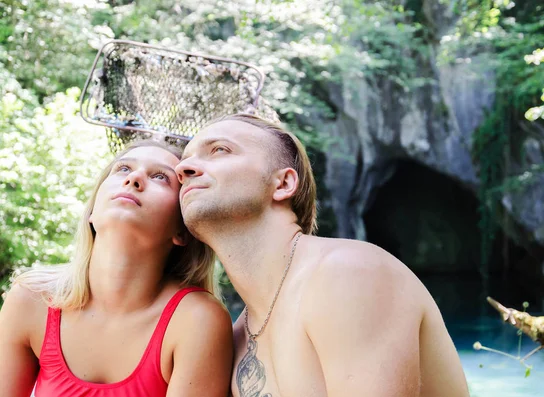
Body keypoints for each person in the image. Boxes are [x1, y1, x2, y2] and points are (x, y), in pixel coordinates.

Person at [176, 113, 470, 397]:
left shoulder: (349, 272)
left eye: (219, 150)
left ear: (283, 184)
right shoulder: (237, 335)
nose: (185, 169)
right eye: (185, 160)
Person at [0, 140, 233, 397]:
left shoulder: (197, 320)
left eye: (160, 177)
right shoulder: (32, 298)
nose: (134, 178)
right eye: (123, 169)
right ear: (92, 211)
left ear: (182, 230)